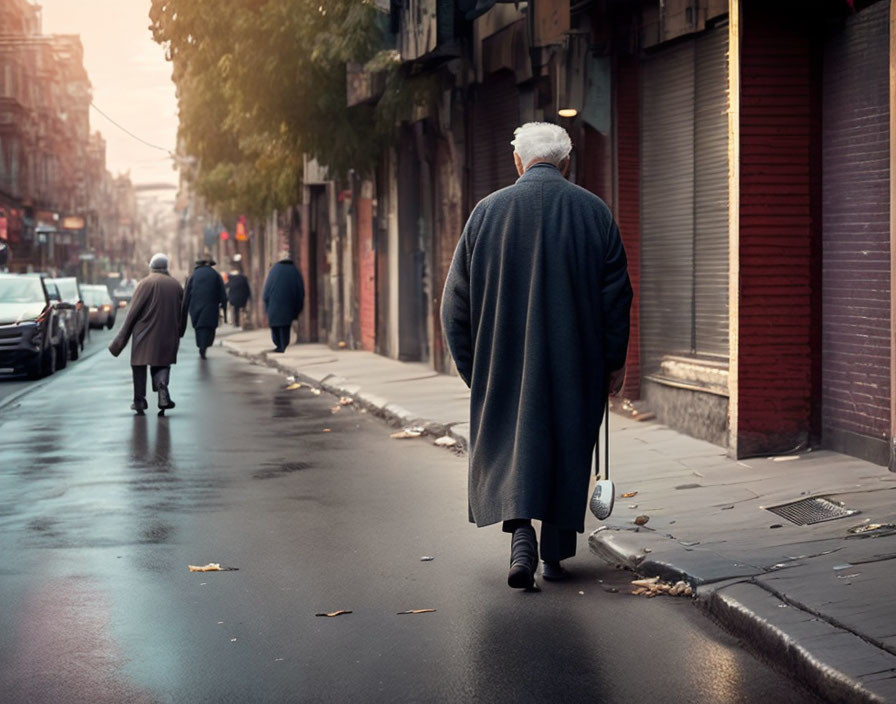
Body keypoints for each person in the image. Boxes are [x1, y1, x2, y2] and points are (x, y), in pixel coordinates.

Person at [440, 122, 632, 590]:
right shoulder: (594, 212)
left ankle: (520, 535)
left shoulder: (486, 213)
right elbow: (617, 299)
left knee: (515, 449)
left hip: (503, 366)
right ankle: (553, 552)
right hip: (577, 364)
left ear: (517, 161)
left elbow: (453, 307)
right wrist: (612, 362)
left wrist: (476, 370)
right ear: (566, 163)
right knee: (566, 449)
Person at [109, 252, 185, 416]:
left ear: (151, 267)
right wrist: (180, 330)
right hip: (168, 332)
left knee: (139, 365)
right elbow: (182, 311)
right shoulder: (175, 285)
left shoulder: (144, 283)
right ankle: (162, 391)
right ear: (166, 267)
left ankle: (139, 401)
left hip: (143, 333)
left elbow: (133, 312)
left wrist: (121, 337)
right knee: (162, 363)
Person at [182, 252, 227, 359]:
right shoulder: (215, 275)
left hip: (196, 308)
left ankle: (201, 346)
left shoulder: (193, 275)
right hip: (211, 308)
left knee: (199, 328)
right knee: (209, 328)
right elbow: (222, 293)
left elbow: (186, 293)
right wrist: (224, 307)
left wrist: (184, 309)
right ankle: (205, 346)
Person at [262, 251, 305, 353]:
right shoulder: (295, 271)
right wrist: (298, 308)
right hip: (289, 306)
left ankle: (279, 345)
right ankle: (283, 345)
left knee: (275, 326)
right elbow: (300, 291)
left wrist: (266, 306)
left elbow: (266, 290)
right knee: (285, 326)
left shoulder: (273, 271)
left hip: (274, 306)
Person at [226, 261, 251, 329]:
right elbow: (247, 288)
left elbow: (227, 287)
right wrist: (249, 296)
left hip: (234, 299)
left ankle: (237, 324)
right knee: (243, 310)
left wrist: (228, 298)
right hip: (243, 298)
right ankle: (243, 322)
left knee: (235, 311)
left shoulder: (230, 279)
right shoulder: (243, 278)